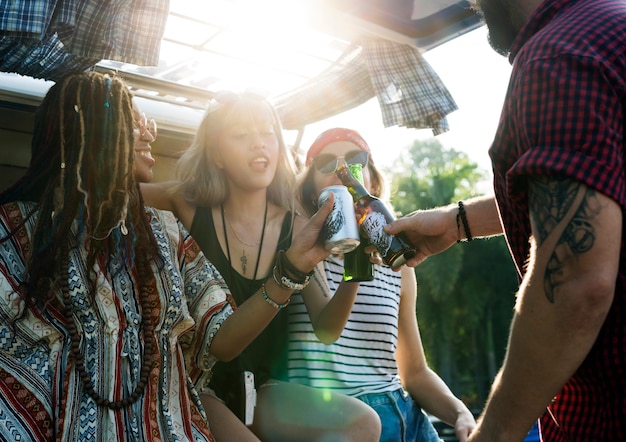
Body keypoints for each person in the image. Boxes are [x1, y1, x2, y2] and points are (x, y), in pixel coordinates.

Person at [385, 0, 626, 440]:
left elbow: (575, 286)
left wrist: (492, 434)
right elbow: (599, 190)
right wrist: (458, 222)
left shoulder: (556, 57)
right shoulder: (608, 27)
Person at [0, 71, 237, 440]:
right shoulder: (15, 229)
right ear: (90, 132)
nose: (149, 132)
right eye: (134, 120)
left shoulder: (167, 231)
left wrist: (294, 267)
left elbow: (221, 333)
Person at [141, 92, 382, 441]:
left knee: (364, 423)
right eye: (242, 135)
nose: (259, 145)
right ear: (217, 154)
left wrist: (357, 260)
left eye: (268, 134)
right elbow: (109, 194)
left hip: (260, 386)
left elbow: (327, 328)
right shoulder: (186, 204)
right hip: (196, 383)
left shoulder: (297, 227)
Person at [290, 127, 476, 442]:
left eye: (353, 160)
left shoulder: (399, 268)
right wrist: (354, 257)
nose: (341, 169)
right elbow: (325, 331)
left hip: (406, 417)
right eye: (325, 163)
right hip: (339, 422)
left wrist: (460, 413)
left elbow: (414, 373)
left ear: (371, 183)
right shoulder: (300, 251)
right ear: (311, 192)